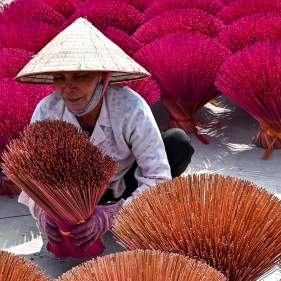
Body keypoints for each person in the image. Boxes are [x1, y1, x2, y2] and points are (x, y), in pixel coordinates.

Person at [14, 18, 194, 251]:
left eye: (80, 76)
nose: (68, 87)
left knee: (177, 143)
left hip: (124, 182)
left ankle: (120, 208)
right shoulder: (47, 110)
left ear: (102, 76)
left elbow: (158, 177)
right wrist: (45, 211)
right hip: (72, 193)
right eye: (60, 77)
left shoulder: (130, 107)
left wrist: (112, 214)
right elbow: (32, 177)